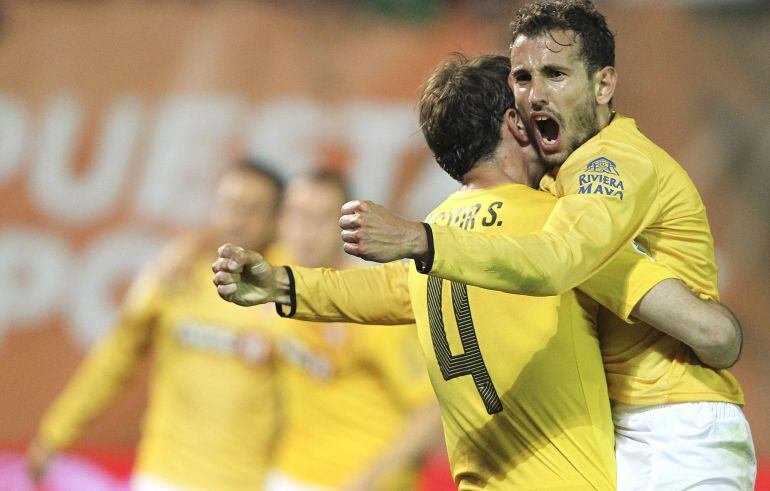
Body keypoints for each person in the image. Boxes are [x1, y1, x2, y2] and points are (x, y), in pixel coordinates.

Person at [213, 55, 743, 489]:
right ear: (514, 125)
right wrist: (720, 338)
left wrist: (282, 283)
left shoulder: (435, 240)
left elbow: (376, 291)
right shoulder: (557, 229)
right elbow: (709, 332)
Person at [328, 2, 757, 488]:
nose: (535, 94)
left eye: (555, 74)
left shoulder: (609, 164)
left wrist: (420, 239)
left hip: (677, 427)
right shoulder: (555, 186)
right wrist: (288, 287)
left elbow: (558, 262)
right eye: (523, 77)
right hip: (627, 429)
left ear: (603, 84)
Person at [28, 159, 285, 491]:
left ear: (276, 219)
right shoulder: (175, 273)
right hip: (163, 475)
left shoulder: (289, 291)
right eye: (230, 205)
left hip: (248, 482)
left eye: (253, 209)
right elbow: (115, 359)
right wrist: (55, 433)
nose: (237, 218)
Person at [265, 171, 443, 491]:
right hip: (289, 473)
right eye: (298, 215)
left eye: (321, 220)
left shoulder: (371, 304)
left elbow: (431, 410)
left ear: (346, 229)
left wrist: (369, 480)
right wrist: (190, 245)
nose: (306, 231)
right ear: (280, 219)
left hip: (355, 481)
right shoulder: (279, 271)